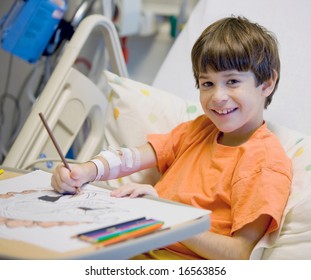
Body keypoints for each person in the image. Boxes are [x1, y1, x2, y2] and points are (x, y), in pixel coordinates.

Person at [51, 16, 292, 260]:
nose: (218, 96)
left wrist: (166, 216)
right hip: (136, 244)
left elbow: (239, 255)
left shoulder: (264, 163)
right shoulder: (198, 130)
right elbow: (133, 157)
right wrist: (86, 171)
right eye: (207, 83)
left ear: (267, 83)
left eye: (232, 81)